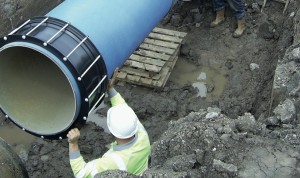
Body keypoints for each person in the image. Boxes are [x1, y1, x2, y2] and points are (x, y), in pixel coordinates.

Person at [67, 69, 151, 177]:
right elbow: (123, 108)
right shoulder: (142, 135)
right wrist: (110, 89)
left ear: (111, 130)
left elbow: (81, 173)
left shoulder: (113, 161)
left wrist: (73, 144)